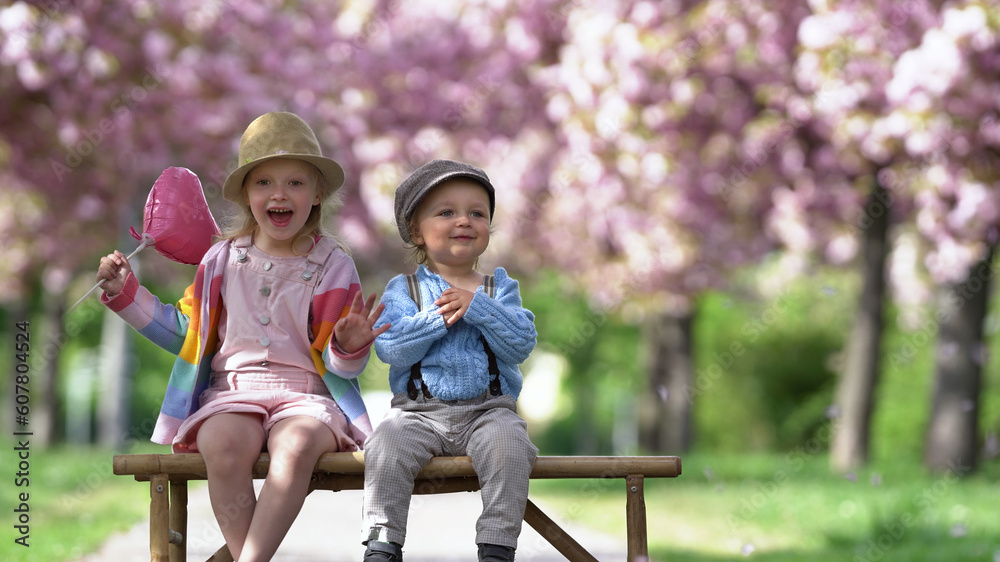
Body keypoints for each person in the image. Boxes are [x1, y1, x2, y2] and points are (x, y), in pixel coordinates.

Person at [97, 112, 388, 562]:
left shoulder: (333, 264)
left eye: (295, 183)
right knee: (222, 444)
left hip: (306, 398)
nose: (279, 193)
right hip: (232, 394)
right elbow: (186, 334)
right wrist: (126, 294)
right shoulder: (221, 261)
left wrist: (348, 345)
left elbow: (338, 366)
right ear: (247, 195)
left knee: (295, 448)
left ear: (316, 195)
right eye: (264, 182)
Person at [360, 159, 538, 562]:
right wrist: (438, 316)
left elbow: (520, 344)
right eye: (446, 212)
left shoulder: (499, 287)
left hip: (489, 411)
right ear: (415, 231)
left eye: (477, 213)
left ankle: (496, 546)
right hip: (418, 413)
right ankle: (382, 543)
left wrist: (478, 308)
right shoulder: (403, 288)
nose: (464, 221)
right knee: (385, 445)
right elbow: (391, 348)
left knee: (511, 445)